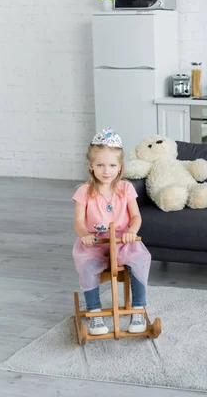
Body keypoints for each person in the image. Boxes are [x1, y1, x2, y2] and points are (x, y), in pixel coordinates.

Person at [72, 127, 152, 335]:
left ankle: (138, 308)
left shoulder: (125, 189)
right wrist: (85, 235)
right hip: (96, 243)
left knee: (138, 260)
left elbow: (136, 216)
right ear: (91, 166)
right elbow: (79, 221)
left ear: (120, 167)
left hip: (123, 240)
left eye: (111, 165)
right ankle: (95, 313)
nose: (106, 170)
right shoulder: (84, 191)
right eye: (100, 165)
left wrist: (132, 231)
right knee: (88, 266)